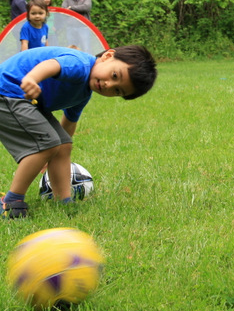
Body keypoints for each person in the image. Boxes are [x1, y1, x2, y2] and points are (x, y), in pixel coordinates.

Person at [0, 45, 157, 219]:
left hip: (27, 101)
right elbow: (52, 65)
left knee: (63, 144)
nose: (108, 85)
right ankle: (11, 202)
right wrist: (32, 78)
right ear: (108, 56)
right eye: (114, 75)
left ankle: (63, 201)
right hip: (8, 90)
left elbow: (69, 122)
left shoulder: (83, 93)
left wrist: (58, 148)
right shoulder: (80, 65)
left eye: (117, 90)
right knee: (46, 144)